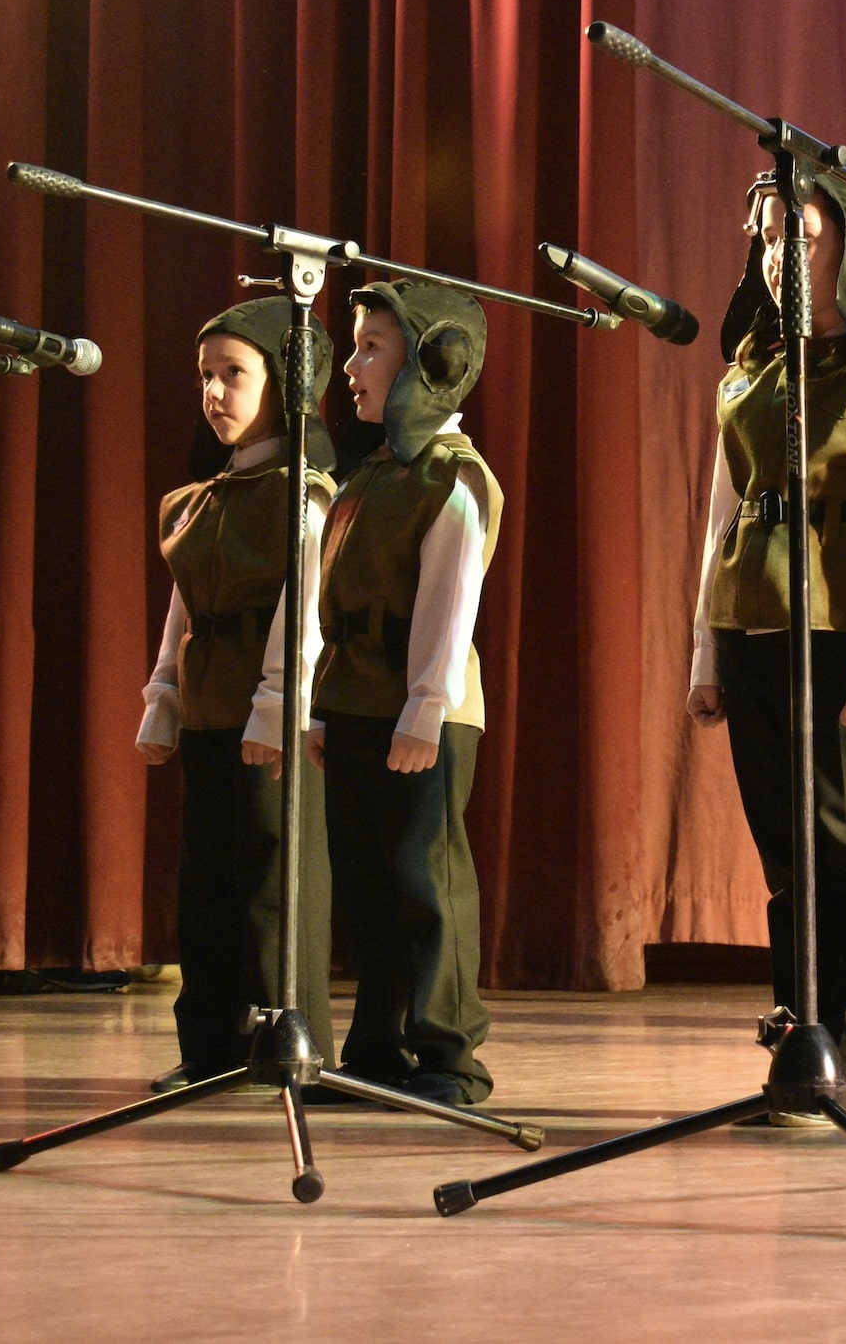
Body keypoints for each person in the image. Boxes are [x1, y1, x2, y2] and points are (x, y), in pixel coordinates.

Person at [686, 161, 846, 1119]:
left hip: (836, 640)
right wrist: (707, 654)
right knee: (789, 860)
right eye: (763, 232)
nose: (774, 250)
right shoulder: (751, 371)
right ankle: (801, 1045)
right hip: (755, 629)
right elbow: (721, 519)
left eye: (797, 230)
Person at [308, 281, 502, 1109]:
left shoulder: (451, 478)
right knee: (367, 885)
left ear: (431, 364)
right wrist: (320, 707)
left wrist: (424, 710)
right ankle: (378, 1047)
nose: (350, 366)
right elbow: (330, 598)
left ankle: (448, 1056)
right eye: (353, 347)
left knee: (424, 882)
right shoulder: (367, 477)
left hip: (421, 714)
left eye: (371, 348)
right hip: (354, 706)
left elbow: (447, 607)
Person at [136, 296, 335, 1091]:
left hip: (268, 716)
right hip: (212, 705)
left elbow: (306, 607)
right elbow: (184, 603)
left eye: (234, 374)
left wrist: (276, 705)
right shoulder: (205, 498)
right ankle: (210, 1042)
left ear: (283, 384)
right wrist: (164, 697)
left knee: (271, 881)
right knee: (206, 880)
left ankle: (286, 1040)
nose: (214, 392)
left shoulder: (304, 493)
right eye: (205, 377)